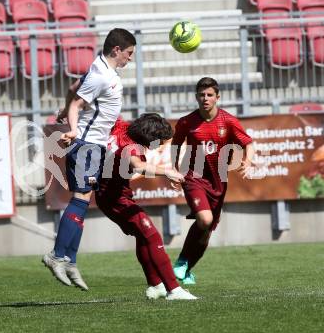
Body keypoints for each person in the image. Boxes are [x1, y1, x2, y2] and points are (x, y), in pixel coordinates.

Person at [42, 28, 136, 291]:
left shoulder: (103, 71)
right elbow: (77, 104)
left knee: (83, 200)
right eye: (129, 54)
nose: (130, 59)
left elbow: (74, 89)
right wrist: (71, 128)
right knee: (80, 198)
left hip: (93, 143)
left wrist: (63, 110)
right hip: (85, 143)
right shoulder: (101, 74)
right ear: (117, 50)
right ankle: (57, 255)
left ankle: (69, 260)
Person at [95, 113, 197, 300]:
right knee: (152, 235)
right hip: (115, 199)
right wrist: (167, 172)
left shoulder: (122, 126)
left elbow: (107, 112)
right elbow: (139, 166)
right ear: (150, 137)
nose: (160, 147)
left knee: (143, 237)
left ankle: (155, 285)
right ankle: (174, 290)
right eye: (160, 142)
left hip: (112, 195)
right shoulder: (132, 147)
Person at [171, 77, 254, 285]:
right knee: (205, 220)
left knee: (205, 232)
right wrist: (173, 170)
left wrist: (249, 161)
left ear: (217, 97)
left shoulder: (228, 121)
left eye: (209, 95)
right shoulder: (186, 122)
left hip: (218, 183)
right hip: (194, 177)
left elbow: (248, 143)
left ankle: (187, 268)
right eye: (201, 95)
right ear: (196, 97)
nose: (205, 98)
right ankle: (181, 261)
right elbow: (176, 145)